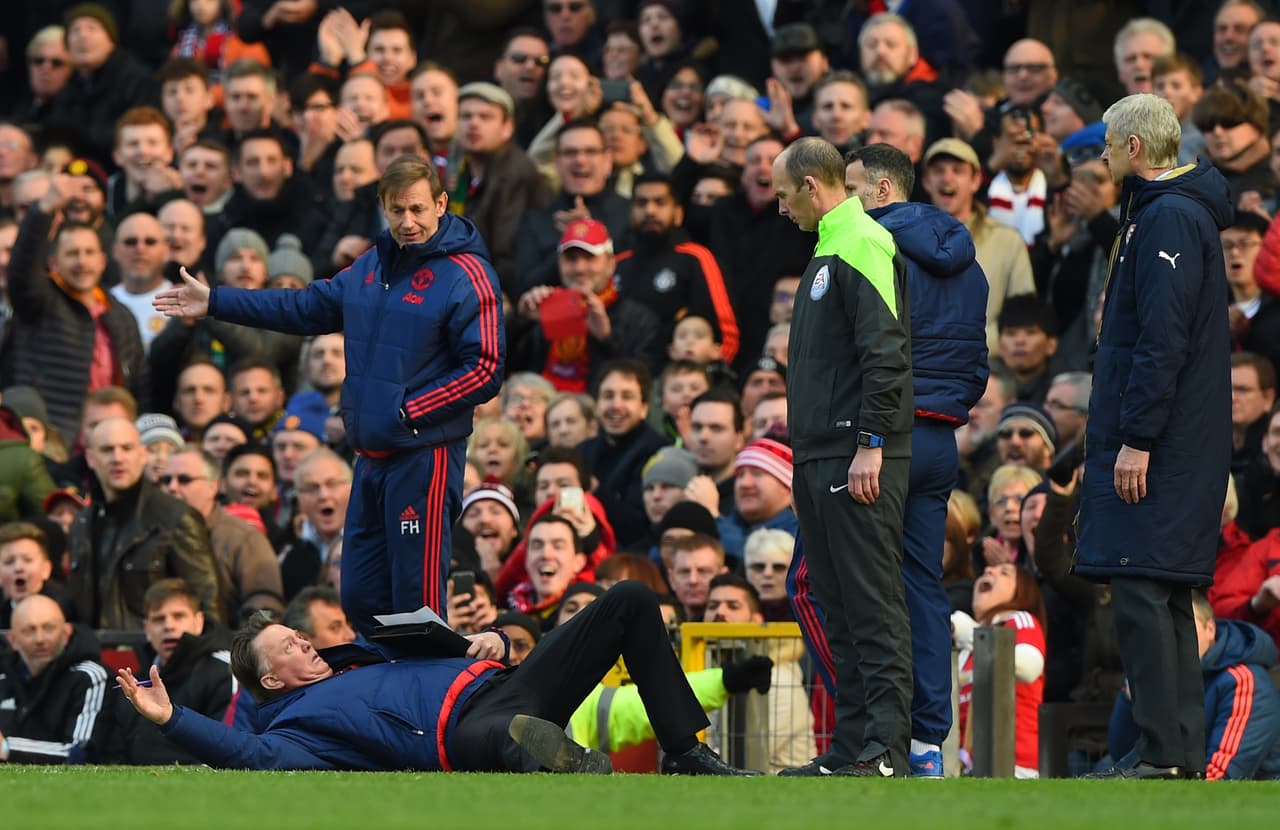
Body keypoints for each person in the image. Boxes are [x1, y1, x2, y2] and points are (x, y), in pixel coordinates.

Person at [154, 155, 505, 636]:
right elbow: (304, 306)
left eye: (420, 209)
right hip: (370, 454)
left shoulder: (467, 274)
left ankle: (423, 702)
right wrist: (215, 301)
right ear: (382, 207)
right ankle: (385, 686)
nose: (409, 222)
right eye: (397, 210)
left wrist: (406, 412)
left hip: (425, 453)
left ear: (442, 204)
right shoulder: (370, 266)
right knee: (358, 595)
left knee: (417, 604)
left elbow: (485, 368)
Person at [117, 581, 754, 776]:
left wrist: (498, 639)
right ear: (272, 680)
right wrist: (173, 719)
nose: (303, 638)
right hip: (461, 732)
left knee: (632, 601)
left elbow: (502, 644)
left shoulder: (365, 652)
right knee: (509, 734)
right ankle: (564, 761)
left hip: (503, 681)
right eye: (287, 644)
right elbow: (247, 753)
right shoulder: (296, 728)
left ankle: (686, 752)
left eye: (296, 632)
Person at [1077, 93, 1234, 780]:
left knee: (1144, 591)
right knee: (1162, 590)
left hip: (1161, 442)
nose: (1103, 157)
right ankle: (1171, 753)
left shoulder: (1166, 216)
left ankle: (1163, 752)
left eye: (1107, 145)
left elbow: (1161, 341)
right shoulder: (1166, 213)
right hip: (1175, 436)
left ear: (1133, 148)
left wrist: (1136, 438)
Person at [843, 143, 989, 777]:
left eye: (850, 189)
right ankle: (929, 742)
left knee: (854, 585)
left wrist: (868, 437)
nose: (841, 203)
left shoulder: (871, 246)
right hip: (940, 440)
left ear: (879, 192)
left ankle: (874, 739)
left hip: (885, 438)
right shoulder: (970, 265)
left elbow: (872, 352)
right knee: (921, 588)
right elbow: (976, 364)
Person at [774, 138, 913, 777]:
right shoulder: (831, 245)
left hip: (854, 453)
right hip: (819, 453)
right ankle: (854, 745)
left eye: (782, 195)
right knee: (838, 606)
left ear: (809, 184)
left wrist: (871, 443)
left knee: (871, 603)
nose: (779, 209)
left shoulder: (858, 241)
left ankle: (884, 749)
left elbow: (885, 354)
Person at [68, 417, 223, 630]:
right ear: (90, 458)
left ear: (142, 455)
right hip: (95, 657)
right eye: (107, 450)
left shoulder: (175, 517)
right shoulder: (82, 524)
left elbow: (207, 604)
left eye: (127, 448)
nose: (118, 458)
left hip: (157, 657)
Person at [1108, 591, 1280, 780]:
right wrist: (1133, 695)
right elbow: (1122, 757)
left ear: (1210, 630)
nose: (1169, 640)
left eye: (1182, 627)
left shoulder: (1243, 681)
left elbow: (1220, 776)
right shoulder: (1162, 677)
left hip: (1247, 803)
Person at [951, 564, 1048, 778]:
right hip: (969, 769)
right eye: (987, 570)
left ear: (1021, 592)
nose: (988, 570)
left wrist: (974, 635)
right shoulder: (965, 643)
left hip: (1016, 766)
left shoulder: (1020, 620)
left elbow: (1029, 666)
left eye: (1004, 573)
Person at [0, 594, 111, 763]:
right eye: (29, 630)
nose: (40, 639)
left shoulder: (89, 676)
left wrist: (7, 748)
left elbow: (81, 752)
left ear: (66, 633)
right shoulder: (3, 677)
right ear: (13, 639)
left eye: (49, 628)